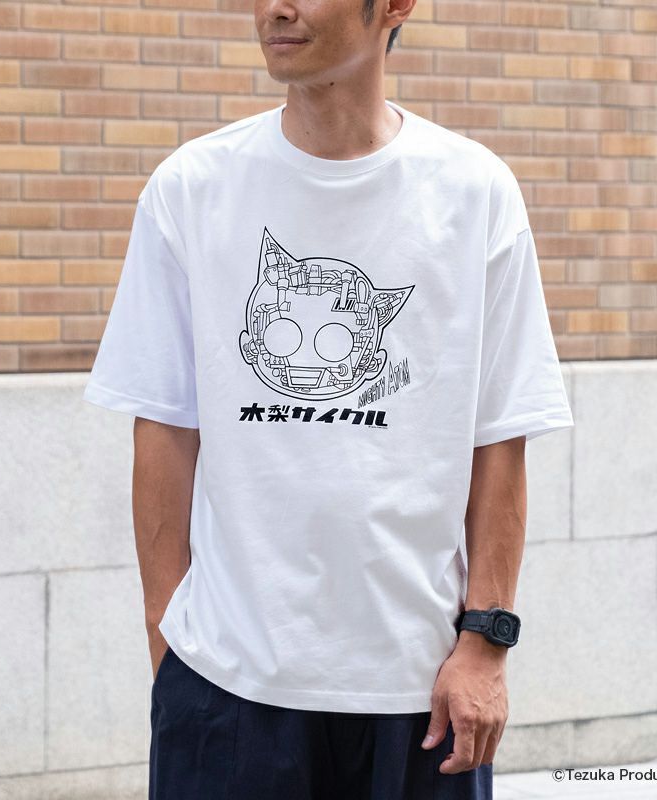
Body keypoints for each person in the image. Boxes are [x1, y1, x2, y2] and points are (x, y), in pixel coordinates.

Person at [83, 0, 575, 797]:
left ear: (396, 6)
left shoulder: (473, 192)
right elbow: (165, 430)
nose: (275, 7)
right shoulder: (193, 188)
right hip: (226, 685)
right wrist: (169, 646)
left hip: (421, 691)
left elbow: (500, 436)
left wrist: (485, 643)